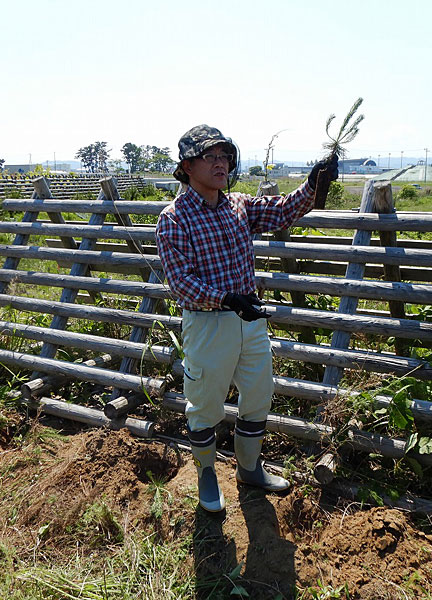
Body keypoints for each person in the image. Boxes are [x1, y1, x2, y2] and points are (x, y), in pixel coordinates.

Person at [155, 124, 338, 512]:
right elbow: (181, 284)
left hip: (249, 319)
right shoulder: (174, 218)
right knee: (204, 404)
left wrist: (313, 185)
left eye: (225, 156)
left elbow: (283, 210)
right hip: (208, 325)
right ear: (188, 166)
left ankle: (249, 468)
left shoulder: (238, 204)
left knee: (257, 395)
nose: (221, 163)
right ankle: (206, 474)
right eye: (211, 157)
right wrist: (227, 299)